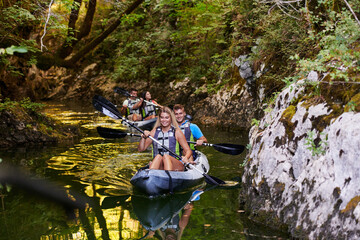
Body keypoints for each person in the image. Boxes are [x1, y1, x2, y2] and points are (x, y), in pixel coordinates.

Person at [138, 107, 193, 171]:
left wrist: (186, 157)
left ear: (171, 118)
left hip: (176, 164)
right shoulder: (154, 131)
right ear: (159, 118)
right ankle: (152, 174)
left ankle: (168, 176)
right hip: (161, 164)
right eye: (162, 117)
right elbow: (141, 149)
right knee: (158, 156)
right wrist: (144, 138)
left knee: (166, 157)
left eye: (167, 117)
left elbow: (188, 150)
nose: (164, 120)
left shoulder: (177, 132)